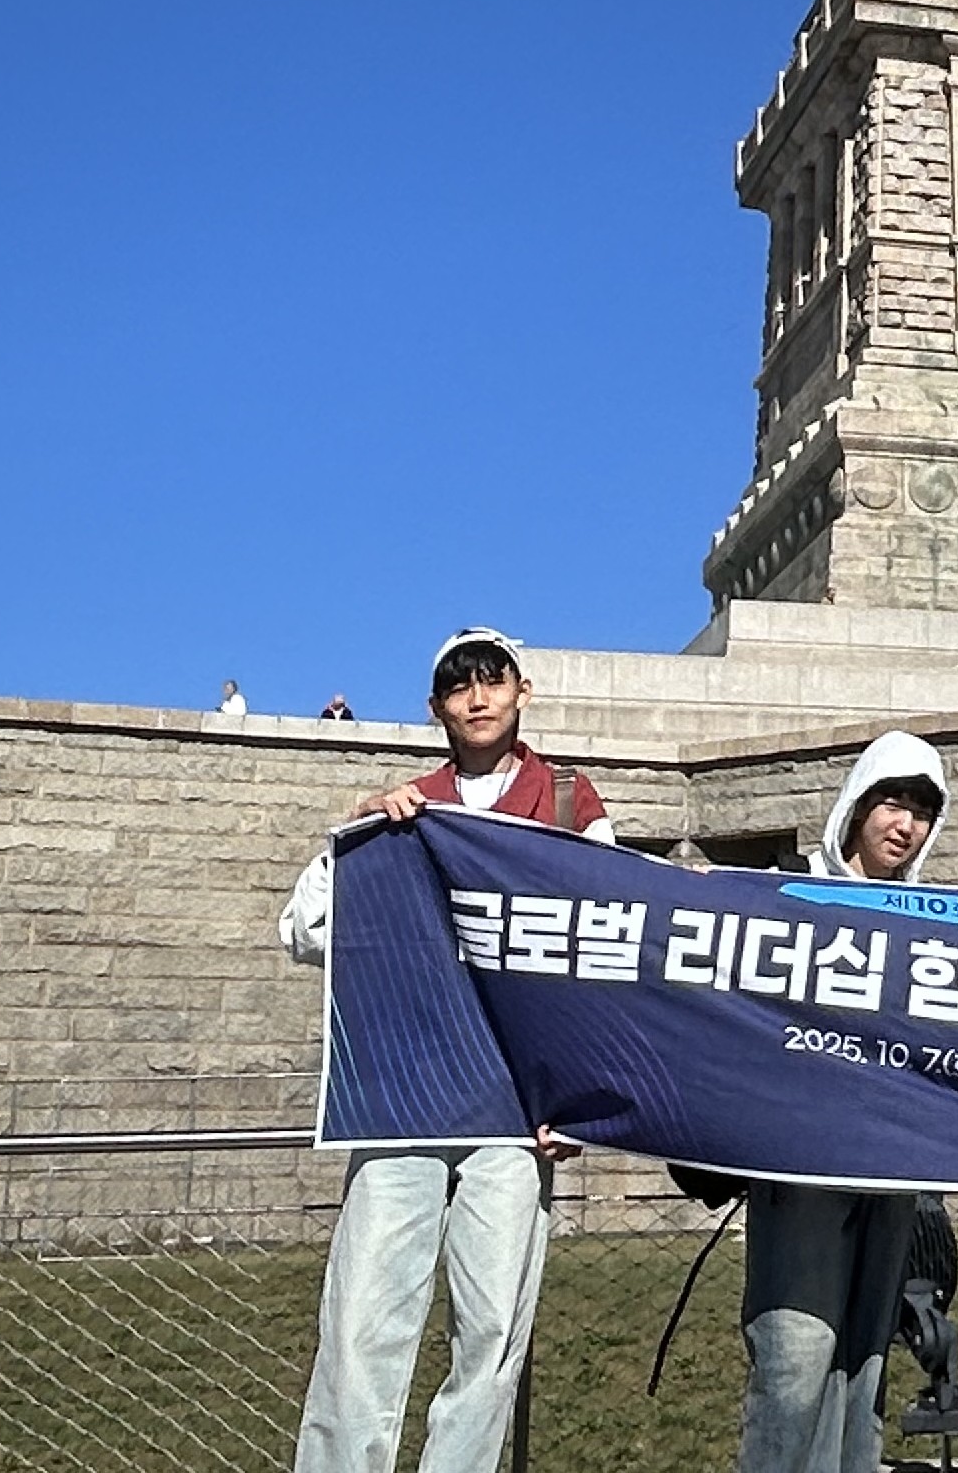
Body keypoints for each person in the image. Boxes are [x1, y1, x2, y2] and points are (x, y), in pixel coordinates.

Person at [281, 626, 609, 1473]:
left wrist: (576, 1099)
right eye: (459, 686)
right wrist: (350, 844)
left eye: (492, 680)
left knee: (492, 1331)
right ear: (436, 708)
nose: (477, 697)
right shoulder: (405, 811)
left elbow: (609, 964)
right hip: (406, 1103)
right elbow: (306, 933)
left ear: (521, 690)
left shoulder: (571, 804)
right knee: (362, 1323)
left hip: (512, 1110)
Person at [737, 730, 950, 1473]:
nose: (904, 825)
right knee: (796, 1358)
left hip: (888, 1174)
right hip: (799, 1173)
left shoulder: (938, 922)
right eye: (893, 802)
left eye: (922, 812)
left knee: (863, 1367)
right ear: (858, 803)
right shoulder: (787, 888)